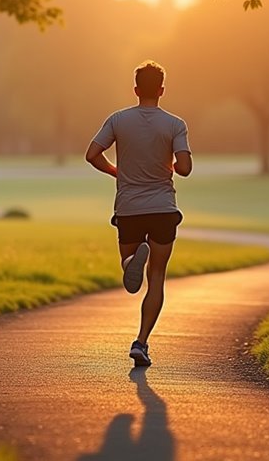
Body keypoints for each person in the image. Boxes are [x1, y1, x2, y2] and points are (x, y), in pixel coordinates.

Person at [85, 60, 192, 367]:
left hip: (129, 208)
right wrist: (168, 164)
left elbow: (92, 154)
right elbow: (184, 168)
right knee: (156, 277)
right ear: (161, 90)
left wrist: (116, 171)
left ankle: (131, 261)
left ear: (135, 90)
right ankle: (141, 343)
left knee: (128, 267)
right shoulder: (175, 124)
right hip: (162, 208)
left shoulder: (118, 120)